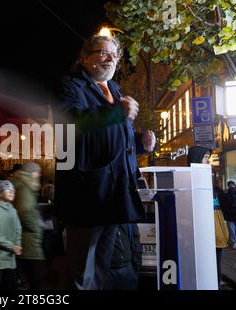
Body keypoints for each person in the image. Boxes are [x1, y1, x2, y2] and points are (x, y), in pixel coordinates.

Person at [53, 34, 156, 290]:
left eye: (114, 55)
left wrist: (140, 143)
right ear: (85, 58)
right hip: (87, 194)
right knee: (81, 273)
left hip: (115, 194)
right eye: (102, 52)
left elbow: (117, 139)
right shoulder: (70, 86)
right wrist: (116, 112)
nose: (110, 58)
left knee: (101, 269)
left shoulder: (116, 89)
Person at [187, 145, 229, 288]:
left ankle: (216, 280)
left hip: (216, 231)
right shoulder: (191, 181)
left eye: (208, 158)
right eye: (205, 158)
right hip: (205, 233)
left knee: (216, 259)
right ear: (196, 159)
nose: (208, 161)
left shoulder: (207, 181)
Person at [10, 162, 46, 289]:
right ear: (32, 173)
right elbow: (24, 213)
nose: (39, 174)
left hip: (25, 238)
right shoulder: (24, 188)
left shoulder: (23, 185)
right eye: (37, 172)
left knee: (28, 274)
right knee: (35, 278)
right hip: (28, 239)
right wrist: (38, 228)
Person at [103, 224, 142, 290]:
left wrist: (135, 269)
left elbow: (136, 245)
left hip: (127, 271)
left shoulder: (129, 221)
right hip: (107, 272)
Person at [220, 181, 236, 249]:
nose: (231, 187)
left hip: (234, 214)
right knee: (233, 230)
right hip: (232, 214)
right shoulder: (228, 194)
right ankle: (234, 243)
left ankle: (234, 241)